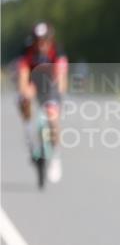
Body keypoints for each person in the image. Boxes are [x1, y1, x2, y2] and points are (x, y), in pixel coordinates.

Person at [16, 22, 68, 181]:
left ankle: (56, 158)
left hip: (51, 85)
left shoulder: (57, 51)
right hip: (34, 83)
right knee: (23, 101)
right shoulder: (28, 52)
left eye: (44, 40)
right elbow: (23, 74)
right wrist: (25, 92)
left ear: (50, 39)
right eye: (38, 40)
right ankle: (30, 137)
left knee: (52, 119)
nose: (41, 44)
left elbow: (61, 76)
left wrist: (57, 93)